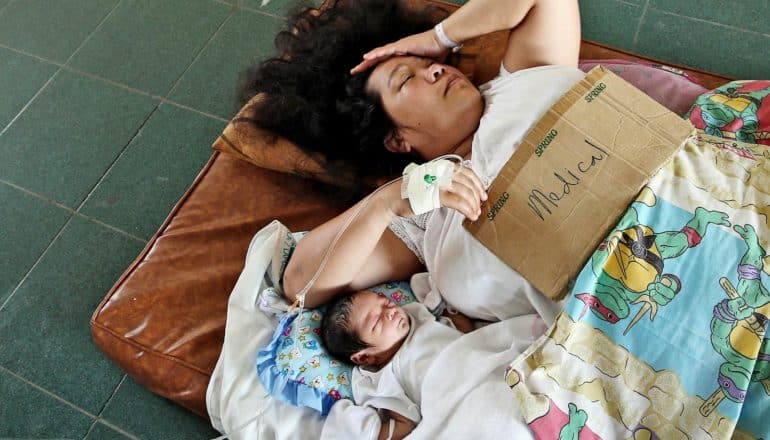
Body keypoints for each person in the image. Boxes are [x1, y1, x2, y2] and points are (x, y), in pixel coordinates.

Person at [244, 0, 582, 326]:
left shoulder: (524, 78)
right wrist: (388, 203)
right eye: (407, 79)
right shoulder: (422, 212)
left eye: (430, 61)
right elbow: (300, 283)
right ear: (395, 140)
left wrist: (439, 37)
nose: (436, 68)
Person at [320, 289, 477, 439]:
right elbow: (405, 424)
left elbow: (465, 336)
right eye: (376, 323)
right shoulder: (387, 377)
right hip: (460, 401)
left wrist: (451, 309)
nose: (390, 312)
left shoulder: (421, 318)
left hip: (481, 363)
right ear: (363, 357)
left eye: (387, 303)